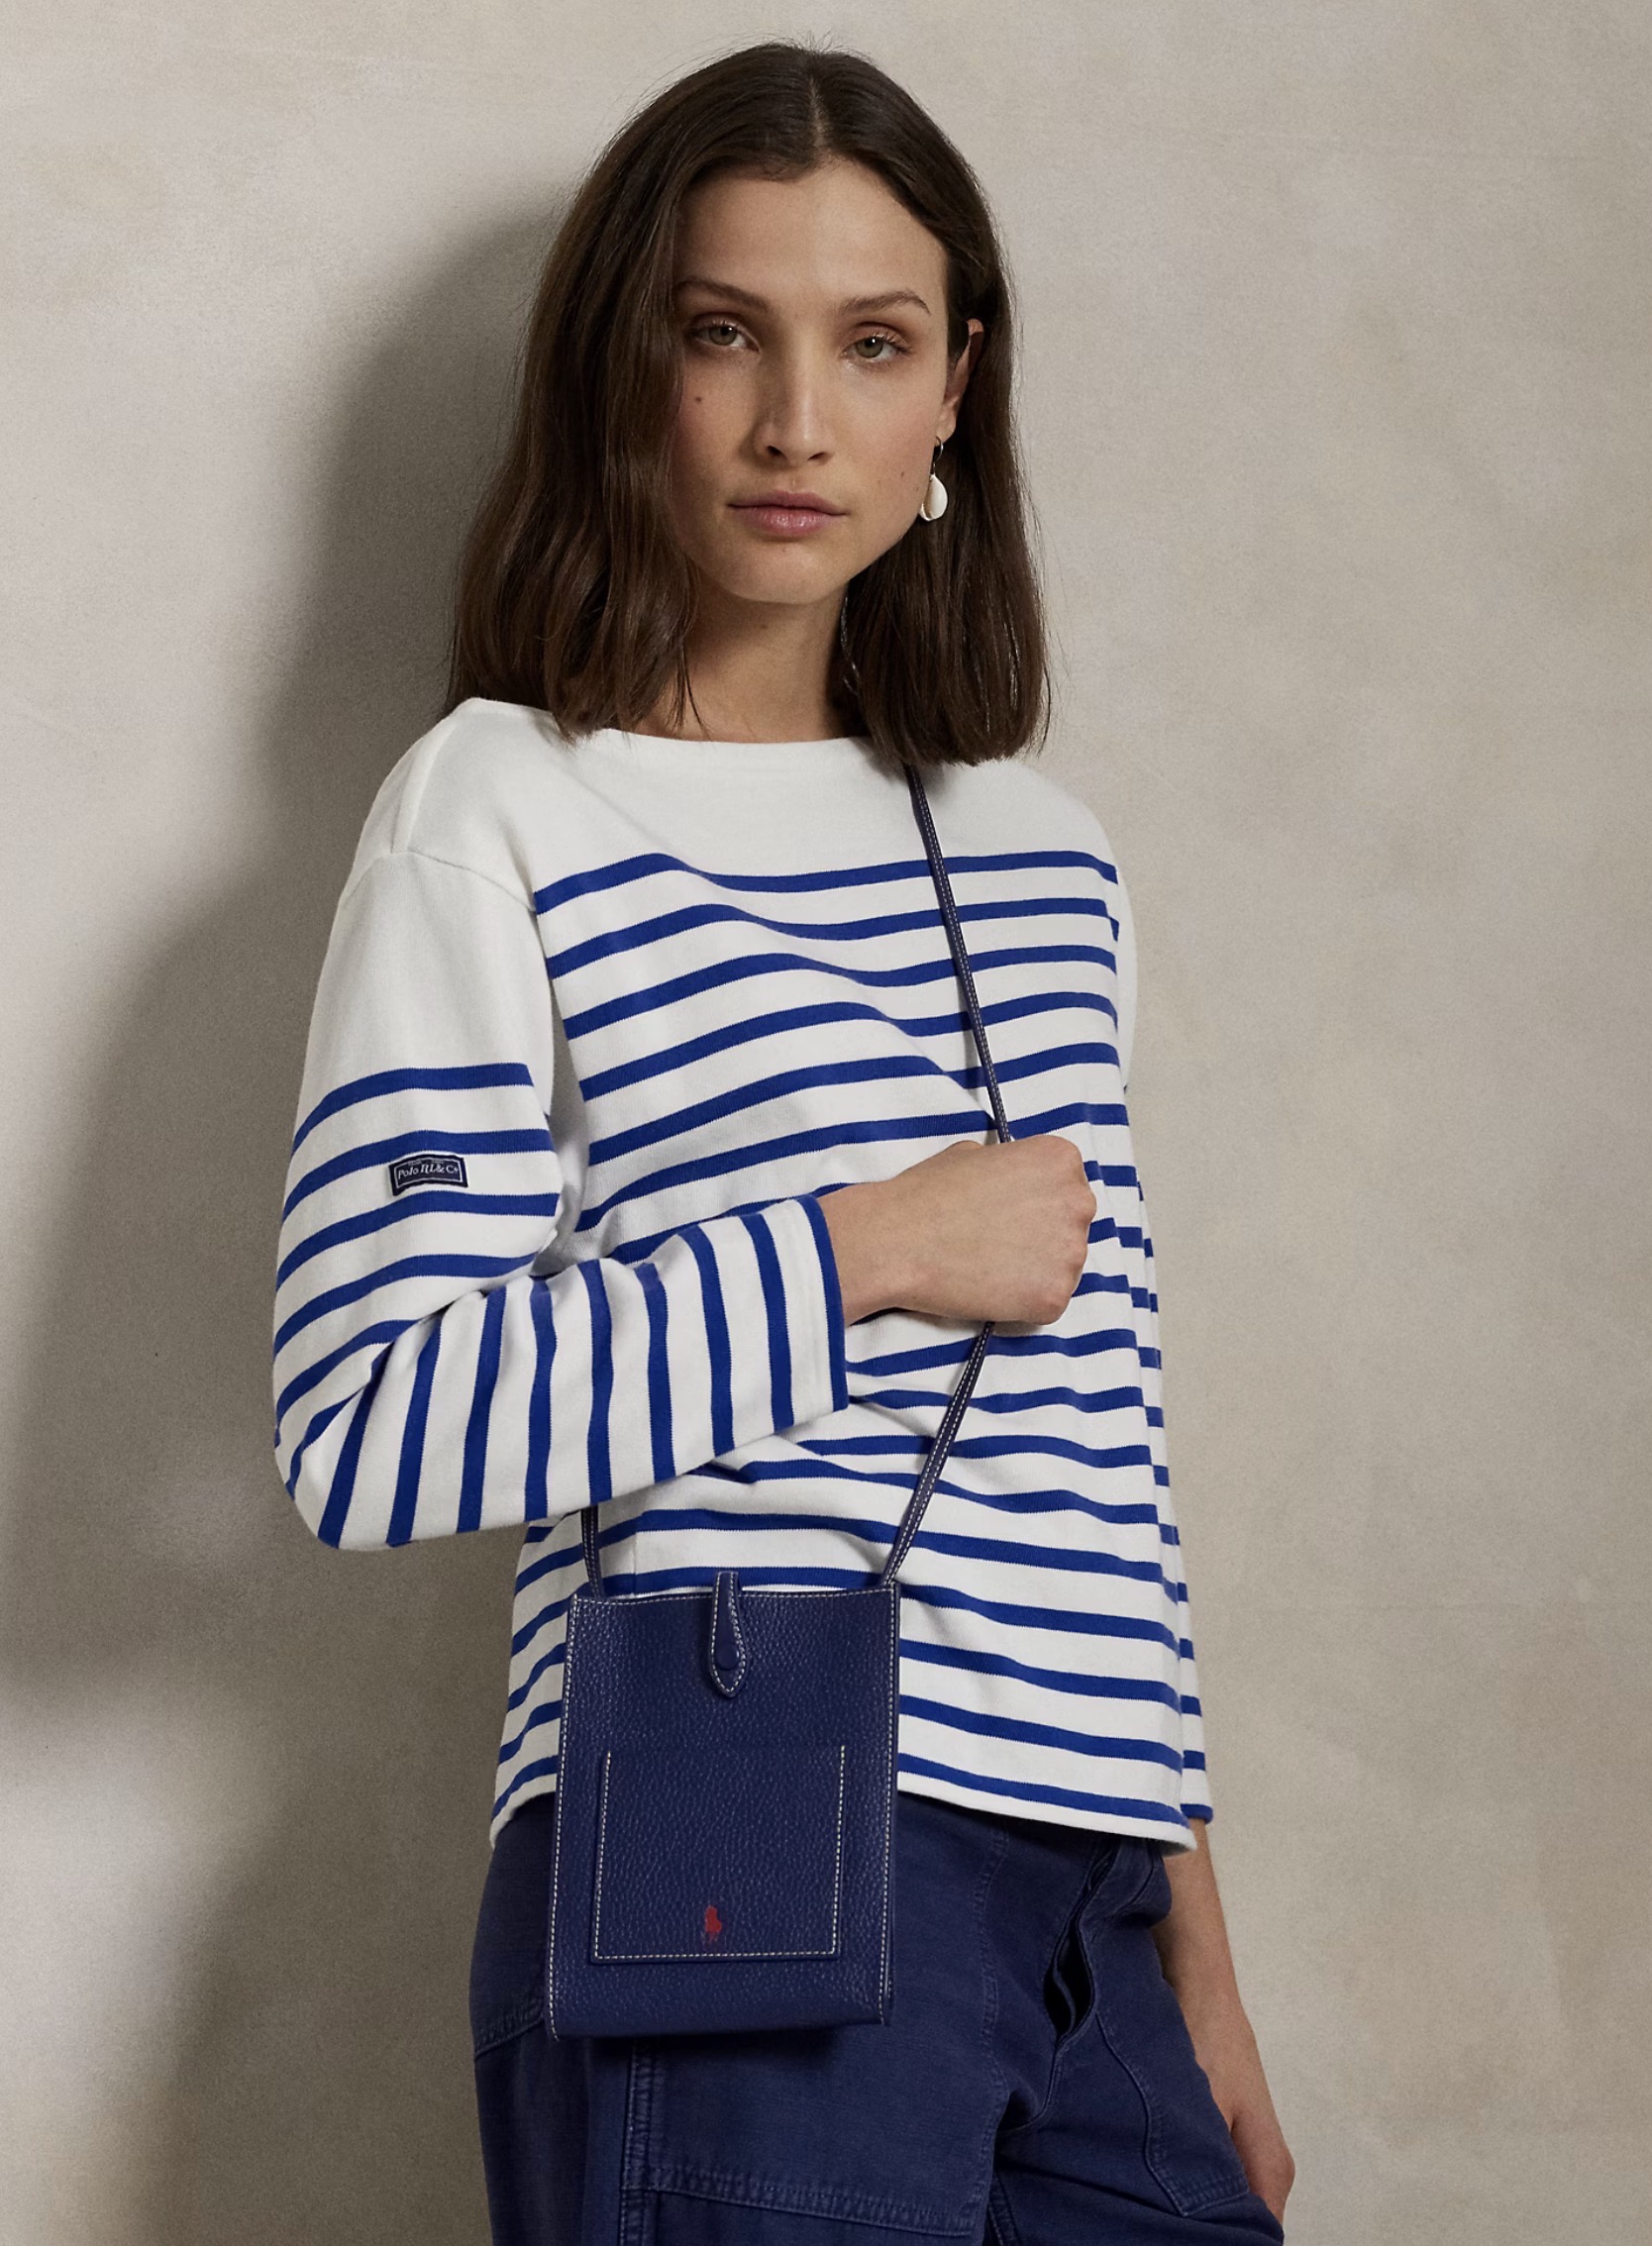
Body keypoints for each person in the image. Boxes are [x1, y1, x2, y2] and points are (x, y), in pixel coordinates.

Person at [271, 39, 1294, 2246]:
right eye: (724, 333)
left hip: (1089, 1915)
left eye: (875, 343)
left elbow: (1098, 1459)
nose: (796, 422)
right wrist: (861, 1249)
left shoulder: (1043, 857)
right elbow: (366, 1427)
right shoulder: (497, 803)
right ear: (622, 373)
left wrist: (1200, 1970)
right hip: (726, 1838)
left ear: (958, 394)